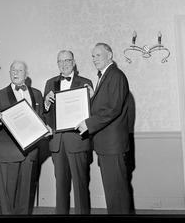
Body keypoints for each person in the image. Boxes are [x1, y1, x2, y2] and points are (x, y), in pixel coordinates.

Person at [75, 42, 131, 214]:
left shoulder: (115, 75)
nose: (94, 59)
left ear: (110, 55)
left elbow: (113, 109)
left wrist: (88, 123)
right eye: (93, 56)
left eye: (98, 55)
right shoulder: (106, 76)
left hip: (112, 145)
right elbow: (106, 104)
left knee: (116, 192)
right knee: (113, 191)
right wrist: (93, 97)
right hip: (108, 145)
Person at [0, 60, 49, 215]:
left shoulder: (36, 94)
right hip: (8, 152)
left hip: (30, 153)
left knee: (25, 197)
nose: (15, 73)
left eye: (19, 70)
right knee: (7, 198)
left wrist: (45, 128)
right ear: (9, 73)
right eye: (13, 70)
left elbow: (41, 118)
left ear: (26, 74)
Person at [43, 50, 93, 214]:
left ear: (73, 62)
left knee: (80, 186)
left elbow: (92, 112)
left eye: (67, 60)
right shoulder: (50, 83)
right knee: (60, 188)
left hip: (77, 140)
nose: (64, 64)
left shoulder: (85, 82)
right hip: (57, 142)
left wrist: (91, 97)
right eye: (60, 61)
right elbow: (45, 115)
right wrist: (46, 104)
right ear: (57, 63)